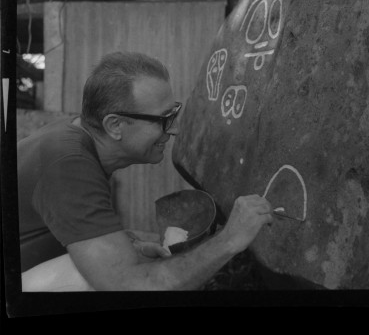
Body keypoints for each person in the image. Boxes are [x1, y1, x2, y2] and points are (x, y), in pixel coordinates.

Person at [18, 51, 273, 291]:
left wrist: (128, 247)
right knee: (94, 280)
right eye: (163, 120)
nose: (173, 130)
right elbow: (124, 285)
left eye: (173, 114)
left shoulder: (78, 139)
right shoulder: (69, 165)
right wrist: (230, 240)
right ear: (115, 125)